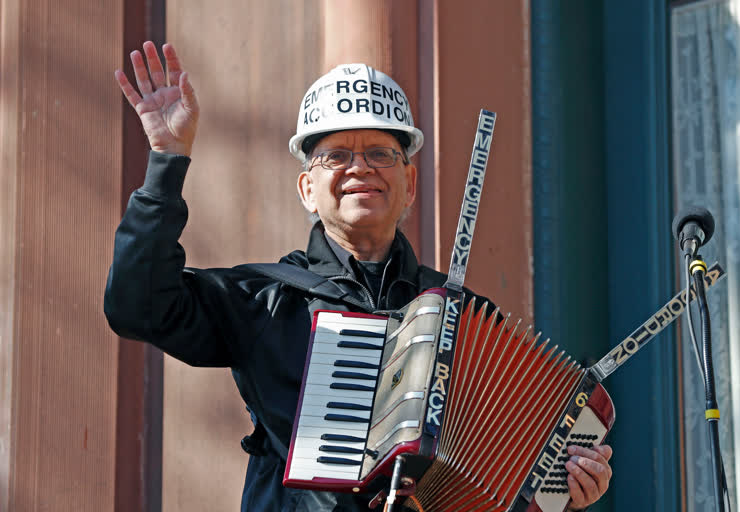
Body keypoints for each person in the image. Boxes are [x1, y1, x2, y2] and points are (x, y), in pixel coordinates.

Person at [105, 41, 613, 512]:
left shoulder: (464, 317)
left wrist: (562, 494)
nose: (360, 168)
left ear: (409, 183)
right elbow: (136, 305)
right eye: (336, 155)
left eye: (380, 153)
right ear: (308, 188)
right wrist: (167, 161)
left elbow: (507, 483)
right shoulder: (263, 300)